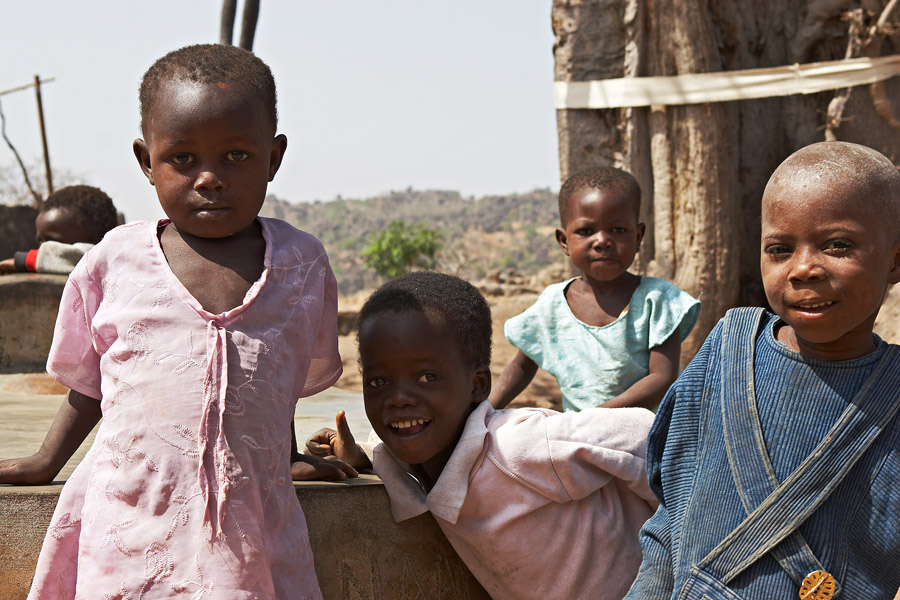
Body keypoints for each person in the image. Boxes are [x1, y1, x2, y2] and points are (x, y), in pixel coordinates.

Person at [0, 44, 355, 599]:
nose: (210, 177)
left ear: (274, 157)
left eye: (237, 156)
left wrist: (284, 457)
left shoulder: (301, 264)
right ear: (147, 161)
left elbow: (273, 379)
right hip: (130, 520)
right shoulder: (114, 261)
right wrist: (45, 461)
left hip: (247, 528)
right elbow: (90, 385)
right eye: (183, 159)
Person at [624, 142, 900, 599]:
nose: (804, 268)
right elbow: (673, 513)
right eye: (779, 249)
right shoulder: (728, 352)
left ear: (894, 259)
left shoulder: (892, 397)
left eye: (838, 245)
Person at [307, 271, 659, 600]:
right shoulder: (408, 455)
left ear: (478, 385)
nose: (398, 398)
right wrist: (355, 457)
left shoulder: (520, 447)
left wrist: (675, 548)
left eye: (427, 377)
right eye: (379, 381)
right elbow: (383, 448)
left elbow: (645, 434)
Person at [490, 167, 700, 412]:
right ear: (564, 241)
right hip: (582, 439)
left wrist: (598, 416)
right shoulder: (552, 305)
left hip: (648, 436)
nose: (602, 241)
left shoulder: (657, 301)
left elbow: (662, 378)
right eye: (586, 231)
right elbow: (522, 367)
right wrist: (484, 413)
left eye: (618, 230)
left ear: (638, 236)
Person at [0, 184, 118, 275]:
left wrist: (24, 261)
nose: (44, 249)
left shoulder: (113, 261)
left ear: (97, 239)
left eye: (54, 244)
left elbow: (79, 257)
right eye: (41, 242)